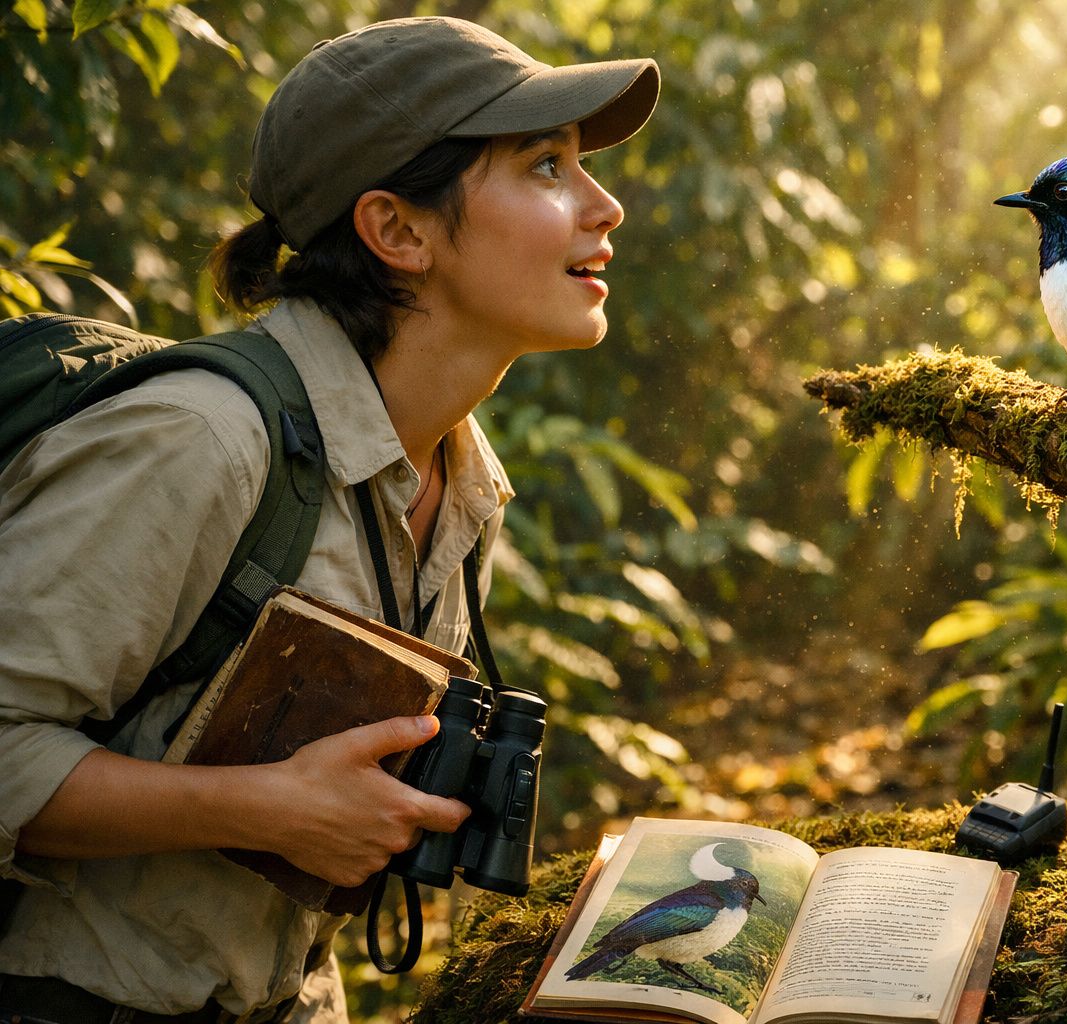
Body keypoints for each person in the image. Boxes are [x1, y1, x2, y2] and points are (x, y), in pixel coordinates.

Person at [0, 17, 659, 1023]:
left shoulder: (455, 472)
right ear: (398, 231)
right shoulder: (202, 440)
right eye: (545, 167)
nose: (605, 207)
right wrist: (261, 809)